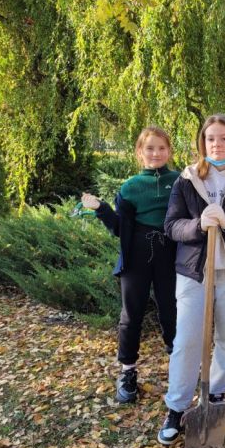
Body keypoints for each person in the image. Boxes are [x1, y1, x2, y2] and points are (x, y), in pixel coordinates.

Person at [158, 113, 225, 445]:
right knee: (188, 339)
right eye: (210, 138)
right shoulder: (187, 180)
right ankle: (176, 406)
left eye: (224, 138)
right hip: (194, 271)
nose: (216, 144)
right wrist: (198, 226)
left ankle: (215, 393)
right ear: (202, 143)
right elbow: (172, 226)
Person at [81, 126, 179, 404]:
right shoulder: (130, 187)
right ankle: (127, 371)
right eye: (149, 148)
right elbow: (119, 228)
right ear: (139, 153)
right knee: (131, 314)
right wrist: (100, 209)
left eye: (161, 148)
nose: (156, 153)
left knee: (171, 311)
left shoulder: (180, 180)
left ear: (169, 150)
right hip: (136, 255)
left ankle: (178, 366)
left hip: (169, 255)